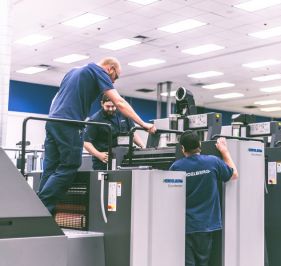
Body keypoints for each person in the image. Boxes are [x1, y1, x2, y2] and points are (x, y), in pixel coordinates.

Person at [37, 57, 156, 214]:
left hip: (52, 121)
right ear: (110, 69)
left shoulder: (73, 71)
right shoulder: (98, 71)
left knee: (50, 168)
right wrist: (144, 124)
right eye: (115, 77)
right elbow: (120, 102)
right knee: (70, 165)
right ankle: (41, 209)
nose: (113, 82)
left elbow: (57, 97)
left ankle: (39, 212)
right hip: (69, 123)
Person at [169, 130, 238, 266]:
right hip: (206, 225)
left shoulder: (176, 167)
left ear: (182, 148)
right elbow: (234, 174)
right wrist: (225, 151)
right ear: (199, 144)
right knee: (203, 262)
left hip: (185, 226)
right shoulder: (213, 162)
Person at [83, 94, 146, 170]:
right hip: (104, 161)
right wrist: (99, 155)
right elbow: (86, 142)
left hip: (123, 157)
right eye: (108, 106)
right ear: (102, 104)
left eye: (113, 106)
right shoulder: (95, 120)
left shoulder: (124, 114)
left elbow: (132, 132)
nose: (110, 109)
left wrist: (143, 146)